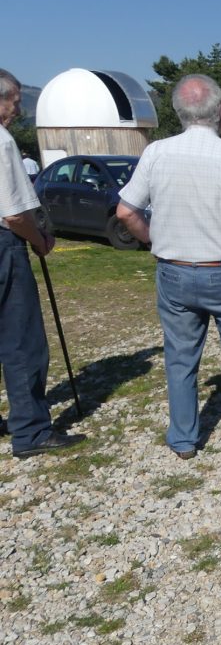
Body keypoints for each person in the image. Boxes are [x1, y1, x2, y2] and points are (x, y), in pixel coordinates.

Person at [116, 74, 221, 459]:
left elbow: (126, 211)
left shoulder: (156, 153)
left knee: (180, 357)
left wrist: (154, 239)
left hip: (174, 269)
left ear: (177, 112)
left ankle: (184, 440)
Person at [0, 68, 85, 458]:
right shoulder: (2, 142)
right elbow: (15, 215)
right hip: (4, 245)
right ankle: (31, 431)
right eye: (15, 100)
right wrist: (41, 241)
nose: (18, 108)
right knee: (22, 341)